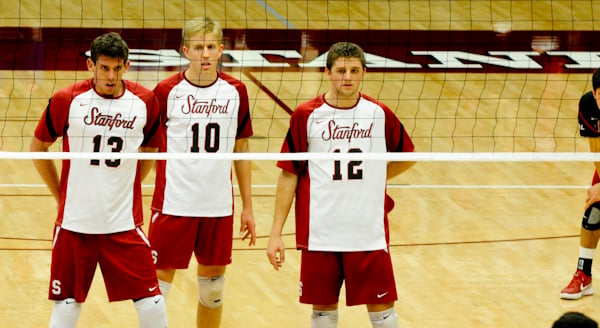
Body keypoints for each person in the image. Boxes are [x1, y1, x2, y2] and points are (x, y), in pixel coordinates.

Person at [266, 42, 416, 328]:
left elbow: (407, 156)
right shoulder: (306, 115)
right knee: (323, 313)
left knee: (384, 314)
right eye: (341, 71)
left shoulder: (379, 114)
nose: (347, 77)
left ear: (363, 73)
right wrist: (275, 234)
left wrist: (375, 177)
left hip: (367, 231)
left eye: (354, 71)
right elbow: (288, 174)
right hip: (321, 232)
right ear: (327, 72)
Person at [29, 32, 167, 328]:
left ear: (127, 66)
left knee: (153, 304)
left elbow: (151, 149)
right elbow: (38, 148)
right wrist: (60, 193)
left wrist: (129, 184)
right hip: (75, 225)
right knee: (66, 307)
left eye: (117, 68)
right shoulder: (67, 99)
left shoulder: (144, 101)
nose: (111, 76)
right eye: (104, 68)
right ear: (90, 65)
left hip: (123, 224)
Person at [148, 17, 256, 328]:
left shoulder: (236, 91)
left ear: (222, 50)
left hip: (217, 206)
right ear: (185, 51)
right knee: (157, 291)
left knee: (214, 290)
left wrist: (247, 206)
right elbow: (148, 149)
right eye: (198, 48)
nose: (205, 54)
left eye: (211, 47)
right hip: (174, 203)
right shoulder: (167, 91)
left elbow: (242, 149)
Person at [561, 68, 600, 300]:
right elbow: (597, 153)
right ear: (595, 94)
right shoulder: (588, 105)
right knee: (594, 210)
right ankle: (583, 275)